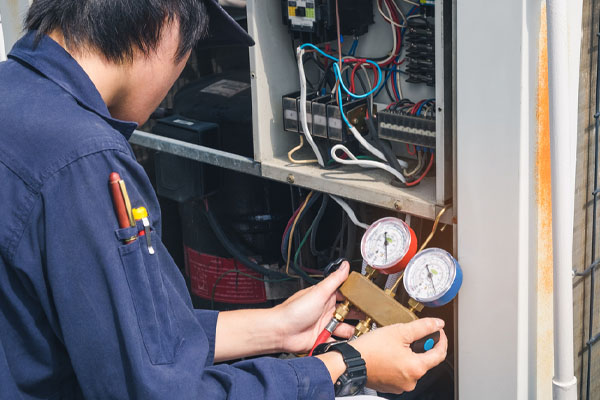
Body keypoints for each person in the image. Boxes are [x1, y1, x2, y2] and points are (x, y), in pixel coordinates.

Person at [0, 0, 448, 399]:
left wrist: (276, 325)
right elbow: (157, 389)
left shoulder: (14, 100)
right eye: (192, 43)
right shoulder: (86, 161)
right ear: (167, 21)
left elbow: (117, 335)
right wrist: (344, 366)